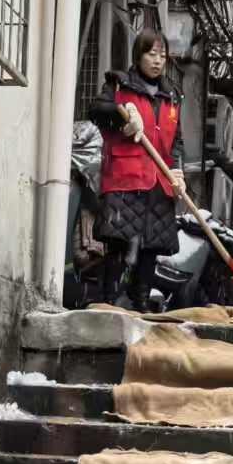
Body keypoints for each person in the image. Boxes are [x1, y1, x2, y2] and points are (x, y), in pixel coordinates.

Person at [88, 30, 186, 309]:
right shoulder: (120, 85)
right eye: (151, 54)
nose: (158, 61)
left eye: (162, 56)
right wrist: (123, 115)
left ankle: (140, 300)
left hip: (159, 179)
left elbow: (176, 141)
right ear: (138, 55)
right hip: (125, 176)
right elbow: (97, 110)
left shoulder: (171, 96)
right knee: (119, 241)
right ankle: (108, 299)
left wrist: (177, 173)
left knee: (151, 246)